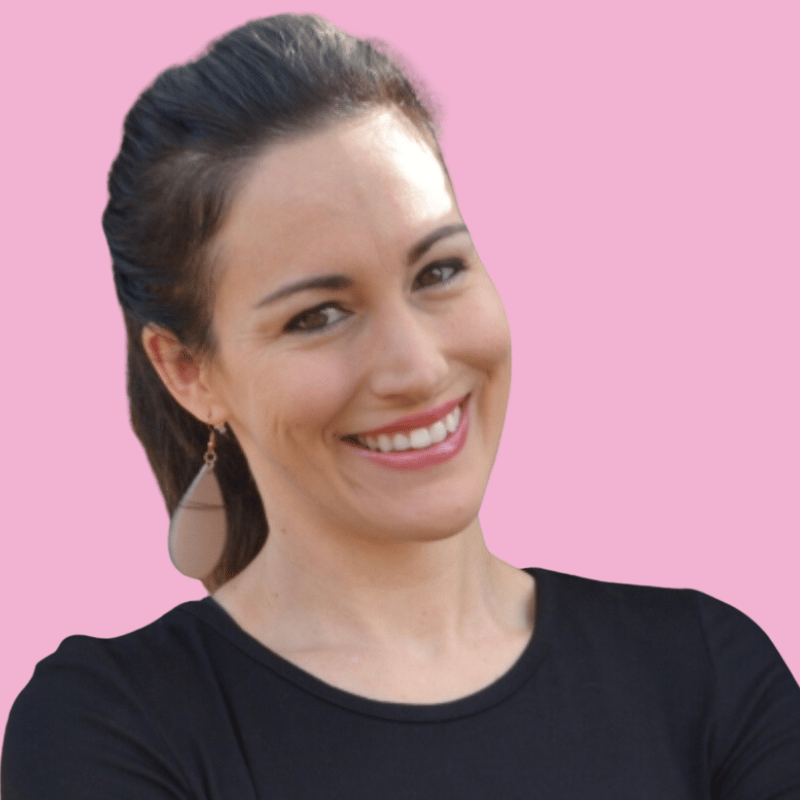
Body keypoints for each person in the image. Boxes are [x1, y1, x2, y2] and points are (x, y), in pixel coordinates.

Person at [2, 13, 799, 799]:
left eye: (438, 271)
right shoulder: (111, 726)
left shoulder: (706, 673)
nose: (418, 368)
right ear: (188, 371)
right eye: (318, 315)